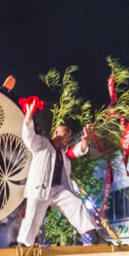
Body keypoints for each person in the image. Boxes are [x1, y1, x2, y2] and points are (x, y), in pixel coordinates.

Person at [17, 101, 101, 246]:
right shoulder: (42, 144)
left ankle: (94, 235)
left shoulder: (64, 152)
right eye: (65, 135)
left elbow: (77, 150)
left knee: (75, 204)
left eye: (69, 137)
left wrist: (86, 141)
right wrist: (30, 113)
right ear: (56, 133)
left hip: (58, 189)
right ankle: (23, 245)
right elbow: (28, 134)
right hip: (40, 188)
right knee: (33, 218)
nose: (67, 139)